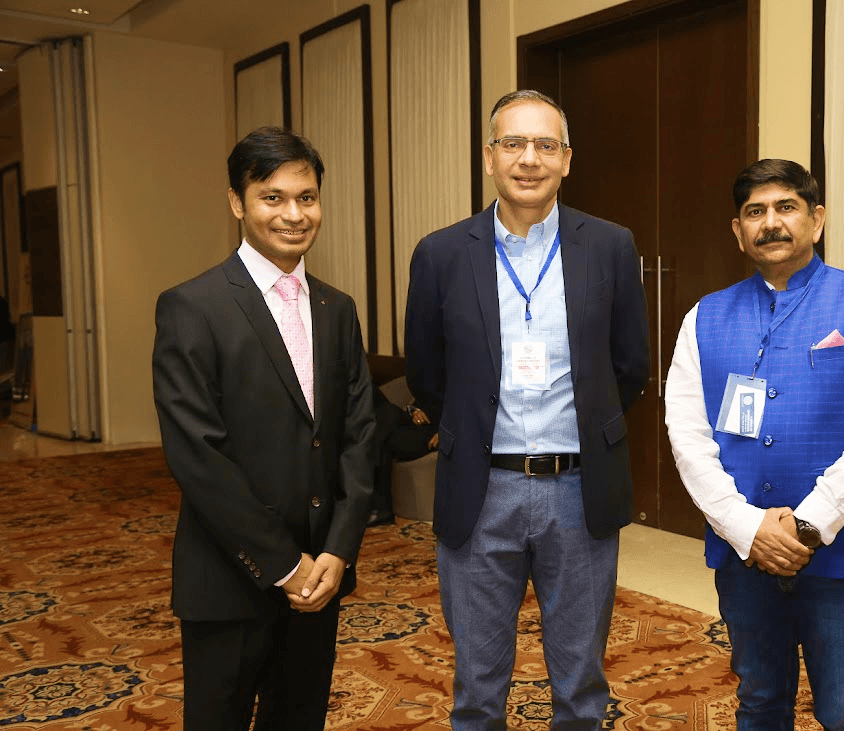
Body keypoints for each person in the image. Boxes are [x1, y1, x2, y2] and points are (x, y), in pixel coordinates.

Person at [403, 90, 650, 730]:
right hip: (480, 489)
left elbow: (630, 367)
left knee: (581, 685)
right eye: (513, 143)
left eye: (545, 145)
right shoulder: (441, 253)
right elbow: (427, 374)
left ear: (567, 159)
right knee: (477, 687)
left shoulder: (611, 246)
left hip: (578, 490)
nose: (529, 159)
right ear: (489, 157)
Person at [664, 159, 844, 731]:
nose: (770, 223)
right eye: (755, 212)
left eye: (786, 207)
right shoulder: (703, 317)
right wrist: (747, 527)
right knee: (759, 703)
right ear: (738, 230)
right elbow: (688, 435)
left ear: (816, 219)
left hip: (841, 554)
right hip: (742, 551)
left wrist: (807, 527)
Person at [152, 127, 375, 730]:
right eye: (272, 197)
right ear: (236, 202)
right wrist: (286, 565)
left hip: (320, 579)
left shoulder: (338, 308)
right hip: (230, 577)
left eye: (306, 197)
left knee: (298, 720)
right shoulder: (192, 307)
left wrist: (336, 550)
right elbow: (198, 455)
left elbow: (358, 434)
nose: (293, 214)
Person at [366, 379, 438, 526]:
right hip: (413, 425)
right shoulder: (422, 368)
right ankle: (381, 509)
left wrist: (448, 429)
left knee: (386, 421)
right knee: (385, 418)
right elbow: (422, 401)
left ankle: (380, 507)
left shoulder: (454, 375)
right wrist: (414, 411)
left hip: (435, 432)